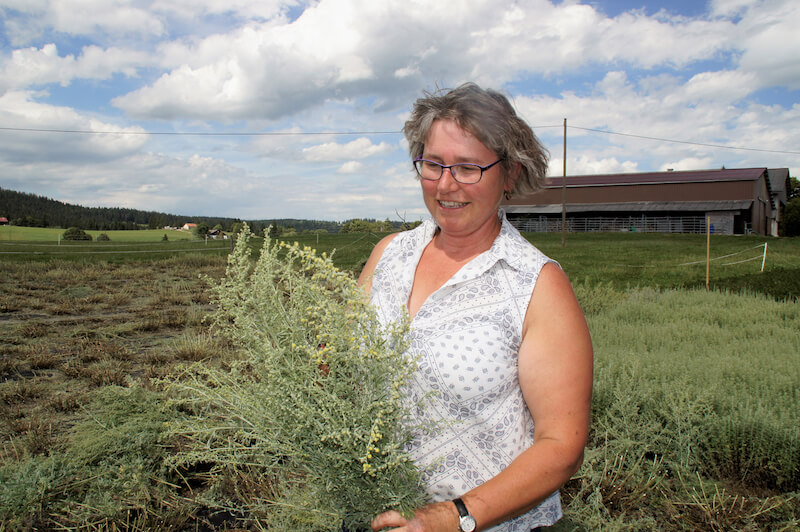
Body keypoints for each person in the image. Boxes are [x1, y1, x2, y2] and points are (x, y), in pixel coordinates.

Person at [358, 83, 593, 532]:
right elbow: (337, 361)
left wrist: (455, 517)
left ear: (510, 174)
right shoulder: (387, 255)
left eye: (468, 168)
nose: (446, 184)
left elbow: (562, 444)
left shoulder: (537, 285)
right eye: (433, 164)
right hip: (373, 514)